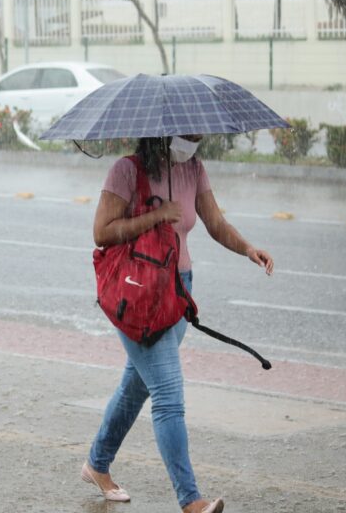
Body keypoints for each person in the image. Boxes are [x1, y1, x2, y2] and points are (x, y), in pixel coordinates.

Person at [80, 135, 274, 513]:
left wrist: (248, 248)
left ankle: (96, 464)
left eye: (200, 136)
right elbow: (102, 232)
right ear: (166, 133)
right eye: (191, 135)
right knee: (168, 395)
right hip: (136, 293)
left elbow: (214, 221)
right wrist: (156, 215)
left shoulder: (193, 168)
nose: (196, 141)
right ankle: (191, 501)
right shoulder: (126, 171)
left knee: (135, 388)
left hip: (178, 291)